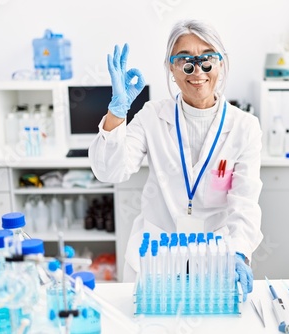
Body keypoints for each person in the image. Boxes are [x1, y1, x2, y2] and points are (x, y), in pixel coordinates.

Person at [89, 19, 263, 300]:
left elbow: (245, 203)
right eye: (185, 60)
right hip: (156, 257)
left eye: (207, 59)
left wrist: (239, 252)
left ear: (220, 63)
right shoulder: (151, 116)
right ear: (171, 67)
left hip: (216, 259)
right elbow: (110, 171)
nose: (197, 71)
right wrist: (117, 113)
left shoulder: (245, 127)